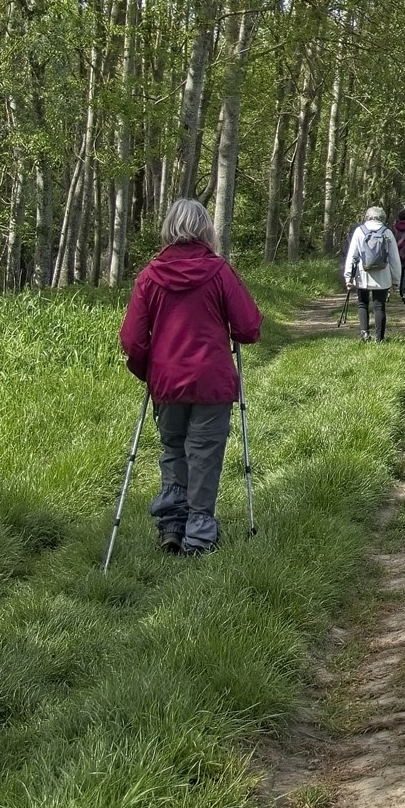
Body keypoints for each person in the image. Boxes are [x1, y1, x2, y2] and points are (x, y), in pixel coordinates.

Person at [120, 197, 262, 554]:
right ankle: (199, 534)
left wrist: (151, 372)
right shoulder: (219, 271)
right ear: (205, 230)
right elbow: (248, 328)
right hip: (211, 380)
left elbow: (132, 340)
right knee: (204, 454)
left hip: (167, 382)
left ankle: (172, 524)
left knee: (173, 450)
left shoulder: (150, 275)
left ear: (168, 227)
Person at [342, 204, 398, 341]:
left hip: (362, 275)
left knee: (362, 303)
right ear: (382, 218)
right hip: (382, 276)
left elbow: (352, 255)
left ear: (367, 217)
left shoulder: (359, 231)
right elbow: (394, 258)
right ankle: (380, 338)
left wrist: (348, 277)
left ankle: (364, 333)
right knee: (379, 306)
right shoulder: (387, 232)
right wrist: (396, 280)